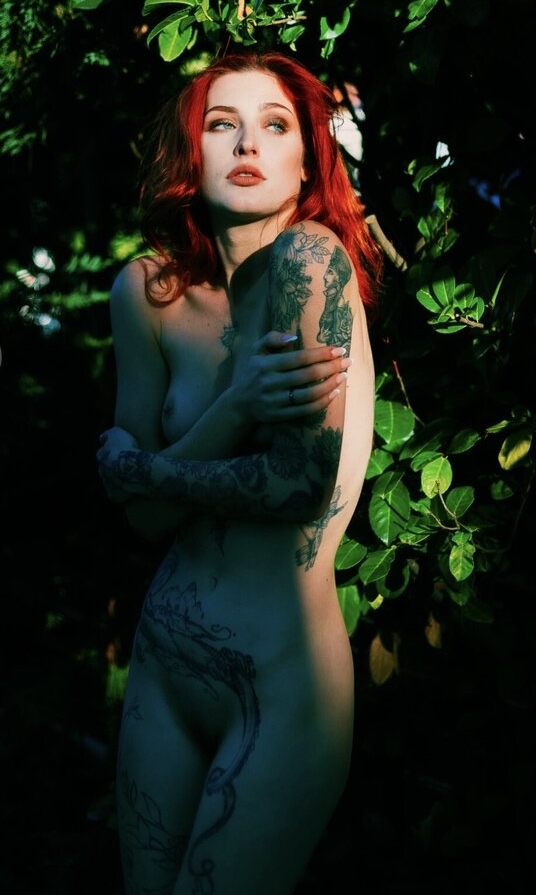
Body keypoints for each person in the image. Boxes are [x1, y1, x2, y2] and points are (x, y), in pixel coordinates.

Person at [96, 50, 383, 895]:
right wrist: (232, 410)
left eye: (275, 125)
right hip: (162, 664)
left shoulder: (312, 262)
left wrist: (141, 468)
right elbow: (142, 520)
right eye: (222, 124)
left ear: (307, 161)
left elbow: (296, 484)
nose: (247, 143)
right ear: (194, 149)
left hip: (280, 688)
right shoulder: (147, 293)